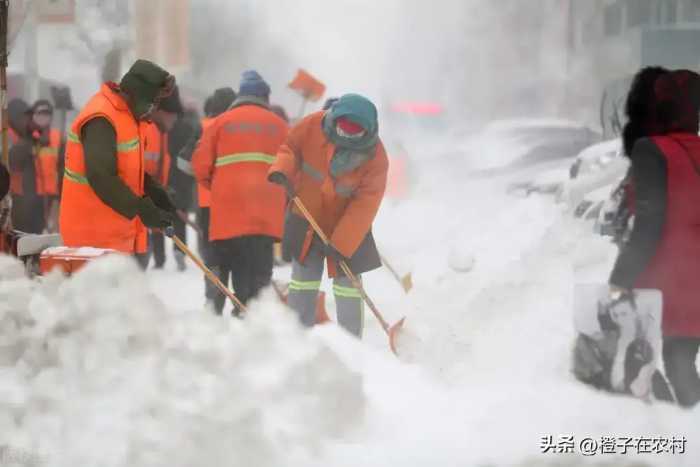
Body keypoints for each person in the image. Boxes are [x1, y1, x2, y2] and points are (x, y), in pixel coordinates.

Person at [609, 69, 700, 408]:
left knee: (650, 367)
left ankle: (680, 446)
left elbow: (649, 223)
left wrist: (621, 277)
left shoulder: (652, 151)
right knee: (681, 363)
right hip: (693, 284)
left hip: (669, 278)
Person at [268, 93, 388, 337]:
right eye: (342, 130)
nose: (345, 137)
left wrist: (342, 243)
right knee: (303, 281)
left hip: (348, 229)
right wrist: (282, 168)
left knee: (348, 287)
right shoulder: (312, 126)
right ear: (334, 120)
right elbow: (290, 147)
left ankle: (351, 342)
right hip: (306, 217)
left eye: (352, 134)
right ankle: (296, 335)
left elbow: (365, 204)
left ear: (367, 132)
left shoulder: (376, 157)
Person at [59, 59, 177, 262]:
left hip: (114, 236)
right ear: (139, 92)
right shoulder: (101, 118)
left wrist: (152, 190)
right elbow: (101, 176)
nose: (154, 108)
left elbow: (125, 169)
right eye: (153, 101)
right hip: (91, 239)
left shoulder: (129, 117)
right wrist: (141, 208)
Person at [193, 71, 288, 315]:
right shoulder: (280, 126)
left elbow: (200, 166)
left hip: (228, 213)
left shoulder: (221, 123)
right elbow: (292, 171)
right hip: (265, 215)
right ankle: (252, 313)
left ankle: (236, 309)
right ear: (265, 97)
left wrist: (218, 188)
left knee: (233, 263)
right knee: (259, 271)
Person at [143, 86, 183, 269]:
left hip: (153, 191)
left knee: (156, 228)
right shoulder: (147, 129)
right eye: (173, 116)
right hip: (142, 195)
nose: (175, 121)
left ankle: (158, 259)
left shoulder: (161, 131)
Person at [29, 99, 64, 233]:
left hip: (54, 194)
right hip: (33, 195)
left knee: (53, 232)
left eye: (46, 113)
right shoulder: (28, 139)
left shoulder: (58, 137)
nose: (43, 116)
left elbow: (63, 166)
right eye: (39, 113)